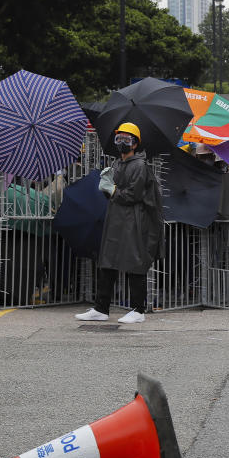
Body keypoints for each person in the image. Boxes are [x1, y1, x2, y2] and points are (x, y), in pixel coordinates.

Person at [75, 122, 164, 324]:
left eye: (127, 139)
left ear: (135, 144)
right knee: (108, 261)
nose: (122, 143)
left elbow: (133, 194)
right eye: (119, 138)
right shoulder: (117, 164)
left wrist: (113, 190)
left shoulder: (140, 166)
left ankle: (138, 310)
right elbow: (115, 194)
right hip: (115, 219)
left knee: (135, 263)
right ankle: (101, 308)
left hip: (134, 220)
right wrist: (107, 186)